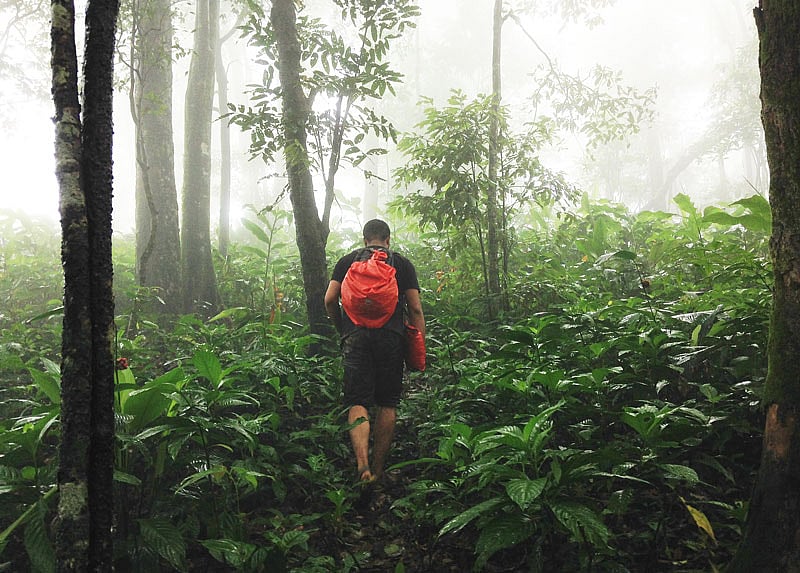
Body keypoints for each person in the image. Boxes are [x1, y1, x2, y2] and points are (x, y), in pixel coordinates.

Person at [324, 219, 426, 484]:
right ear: (388, 240)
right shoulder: (401, 264)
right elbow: (415, 308)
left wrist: (342, 328)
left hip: (355, 337)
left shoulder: (347, 262)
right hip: (391, 338)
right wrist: (418, 344)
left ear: (364, 239)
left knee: (358, 401)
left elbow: (329, 299)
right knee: (387, 402)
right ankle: (379, 469)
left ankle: (362, 465)